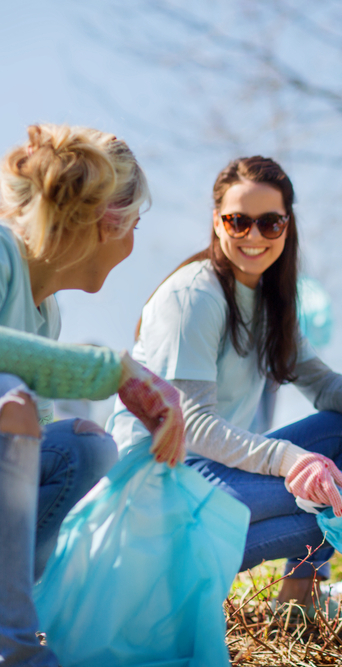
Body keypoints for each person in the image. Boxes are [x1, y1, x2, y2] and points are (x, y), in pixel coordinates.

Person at [108, 156, 342, 610]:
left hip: (215, 477)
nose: (254, 237)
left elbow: (323, 386)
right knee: (340, 509)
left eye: (270, 223)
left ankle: (298, 601)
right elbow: (194, 425)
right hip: (160, 490)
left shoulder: (270, 302)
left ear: (288, 224)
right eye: (238, 221)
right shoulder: (194, 297)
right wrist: (290, 461)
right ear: (218, 222)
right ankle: (175, 577)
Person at [0, 125, 185, 667]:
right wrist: (117, 372)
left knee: (85, 443)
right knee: (9, 395)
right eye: (135, 226)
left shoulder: (45, 311)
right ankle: (13, 649)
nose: (133, 244)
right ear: (110, 223)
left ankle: (31, 611)